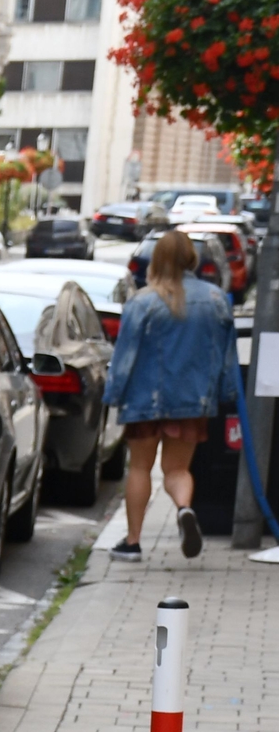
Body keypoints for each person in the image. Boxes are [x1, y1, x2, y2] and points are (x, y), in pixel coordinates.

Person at [101, 228, 233, 561]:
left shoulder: (143, 301)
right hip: (192, 401)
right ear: (192, 258)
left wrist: (113, 395)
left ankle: (132, 542)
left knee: (141, 469)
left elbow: (125, 356)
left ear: (154, 259)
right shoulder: (215, 299)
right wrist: (225, 392)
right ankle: (185, 509)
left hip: (144, 400)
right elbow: (224, 355)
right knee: (177, 470)